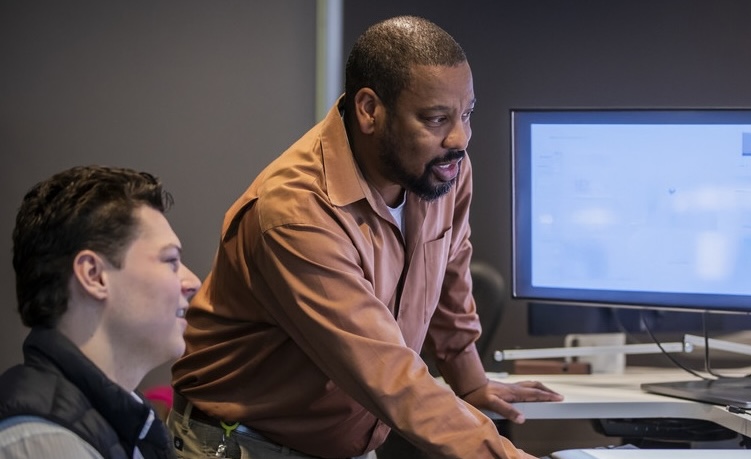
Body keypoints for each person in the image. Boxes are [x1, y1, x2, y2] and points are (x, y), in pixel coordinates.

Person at [169, 15, 562, 459]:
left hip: (348, 440)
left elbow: (451, 273)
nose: (460, 138)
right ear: (370, 110)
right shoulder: (296, 213)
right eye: (436, 119)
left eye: (467, 113)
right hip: (241, 444)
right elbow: (386, 372)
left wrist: (470, 382)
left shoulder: (440, 168)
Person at [0, 165, 202, 458]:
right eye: (170, 260)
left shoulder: (125, 424)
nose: (192, 282)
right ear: (94, 275)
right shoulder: (42, 443)